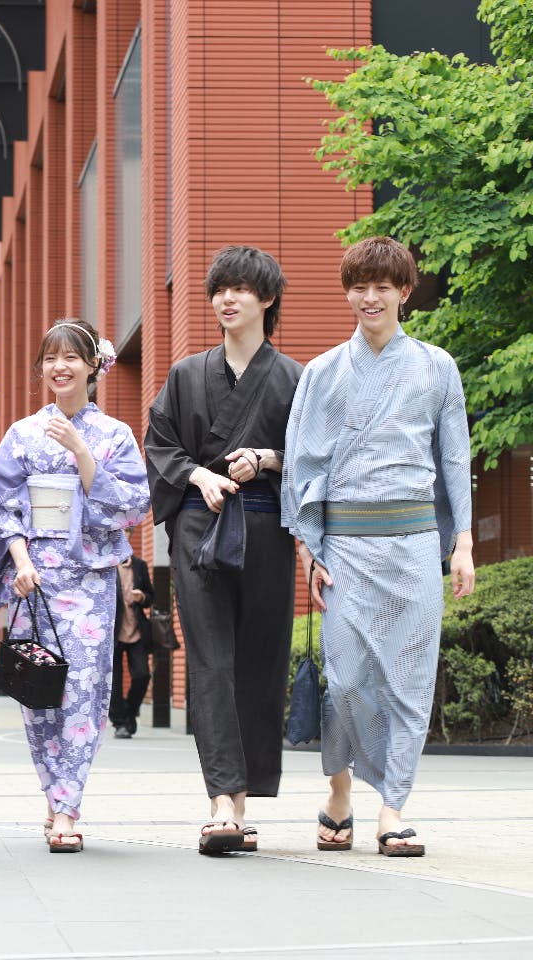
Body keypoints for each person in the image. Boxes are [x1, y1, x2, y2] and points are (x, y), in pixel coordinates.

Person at [283, 236, 474, 858]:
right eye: (359, 286)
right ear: (348, 292)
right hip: (346, 546)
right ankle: (339, 793)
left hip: (416, 542)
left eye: (382, 287)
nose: (370, 297)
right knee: (345, 677)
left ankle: (393, 808)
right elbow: (304, 463)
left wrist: (463, 541)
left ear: (404, 292)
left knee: (410, 677)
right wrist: (311, 548)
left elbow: (453, 456)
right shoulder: (322, 372)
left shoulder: (437, 366)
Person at [144, 245, 303, 855]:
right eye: (219, 290)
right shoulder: (186, 374)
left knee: (260, 660)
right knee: (209, 660)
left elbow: (316, 460)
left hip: (266, 529)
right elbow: (160, 446)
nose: (227, 299)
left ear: (266, 299)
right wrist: (198, 475)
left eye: (240, 289)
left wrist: (266, 459)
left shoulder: (295, 378)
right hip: (199, 532)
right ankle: (222, 801)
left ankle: (245, 797)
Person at [0, 320, 150, 852]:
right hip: (34, 577)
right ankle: (55, 797)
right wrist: (20, 559)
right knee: (39, 688)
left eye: (72, 357)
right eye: (51, 358)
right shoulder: (22, 434)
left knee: (84, 691)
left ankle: (67, 807)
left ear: (93, 365)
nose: (60, 367)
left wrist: (83, 454)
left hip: (90, 578)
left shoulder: (115, 435)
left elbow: (133, 506)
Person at [109, 551, 155, 739]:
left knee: (142, 675)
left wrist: (142, 597)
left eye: (128, 532)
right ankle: (119, 723)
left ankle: (130, 711)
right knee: (114, 682)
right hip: (113, 633)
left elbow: (151, 596)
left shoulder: (140, 565)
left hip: (136, 631)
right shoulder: (108, 565)